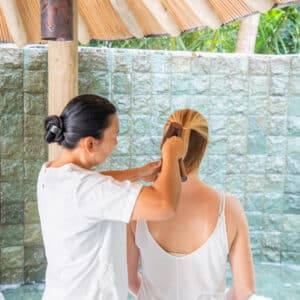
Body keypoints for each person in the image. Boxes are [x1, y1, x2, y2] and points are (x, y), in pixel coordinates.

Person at [37, 94, 185, 300]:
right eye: (114, 135)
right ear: (90, 144)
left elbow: (93, 181)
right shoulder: (85, 188)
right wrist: (171, 154)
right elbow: (164, 205)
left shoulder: (51, 172)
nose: (116, 142)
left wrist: (140, 172)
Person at [127, 109, 255, 300]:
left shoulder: (137, 204)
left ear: (165, 143)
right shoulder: (229, 207)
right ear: (204, 147)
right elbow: (245, 289)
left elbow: (129, 280)